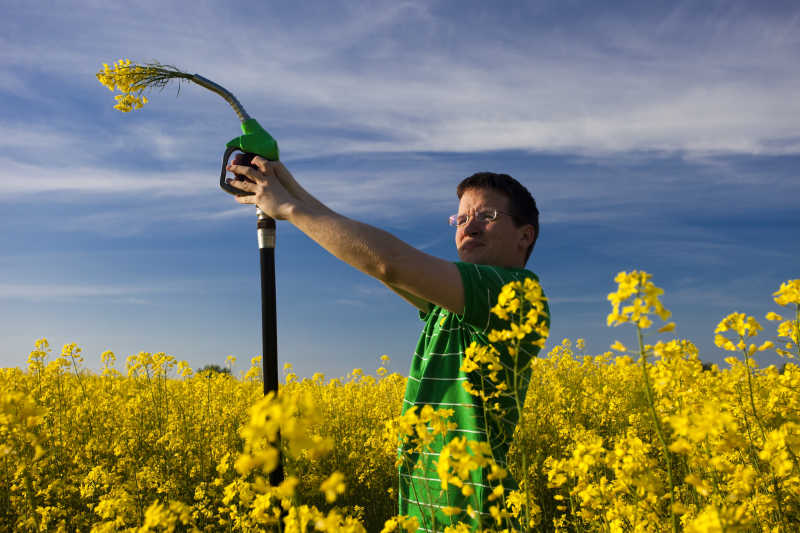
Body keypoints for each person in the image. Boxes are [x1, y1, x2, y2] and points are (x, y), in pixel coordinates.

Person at [226, 158, 548, 531]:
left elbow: (388, 263)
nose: (468, 226)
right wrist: (287, 188)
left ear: (525, 235)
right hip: (428, 514)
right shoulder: (460, 306)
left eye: (486, 215)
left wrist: (289, 207)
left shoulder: (513, 293)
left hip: (474, 518)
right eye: (460, 219)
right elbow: (373, 261)